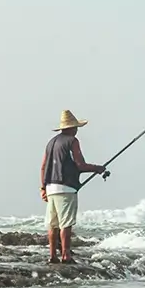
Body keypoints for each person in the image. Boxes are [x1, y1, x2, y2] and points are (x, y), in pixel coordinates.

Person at [40, 110, 109, 264]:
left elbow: (43, 166)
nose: (77, 130)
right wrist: (98, 168)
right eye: (76, 127)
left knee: (53, 224)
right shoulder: (72, 141)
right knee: (66, 223)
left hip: (51, 187)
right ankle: (66, 255)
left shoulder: (51, 142)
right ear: (71, 128)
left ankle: (52, 256)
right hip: (66, 187)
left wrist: (43, 188)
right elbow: (80, 165)